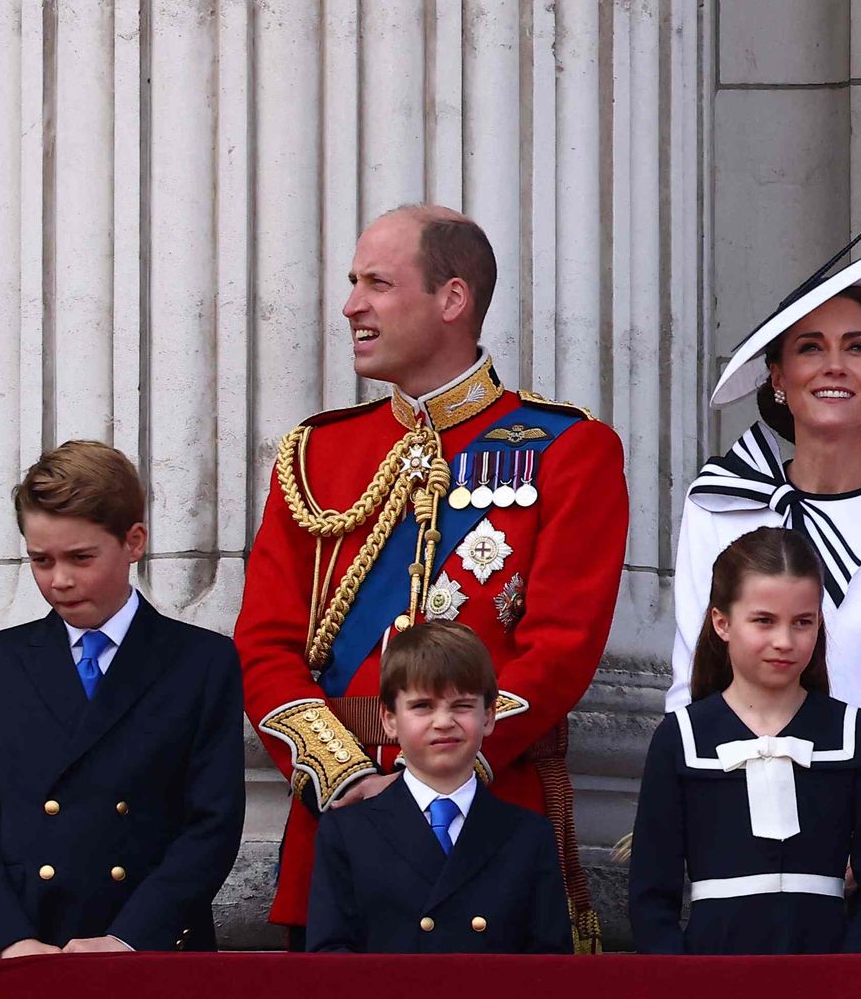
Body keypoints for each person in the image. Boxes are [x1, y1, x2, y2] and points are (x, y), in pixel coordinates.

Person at [234, 205, 627, 947]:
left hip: (490, 826)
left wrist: (443, 766)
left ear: (452, 299)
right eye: (354, 282)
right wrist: (346, 778)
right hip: (336, 827)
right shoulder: (316, 455)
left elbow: (561, 648)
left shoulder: (568, 448)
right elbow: (264, 644)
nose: (352, 304)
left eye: (377, 283)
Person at [668, 217, 861, 948]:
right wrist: (716, 827)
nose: (833, 366)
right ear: (777, 376)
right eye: (810, 347)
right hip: (745, 814)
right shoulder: (720, 504)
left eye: (857, 347)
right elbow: (689, 686)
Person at [0, 441, 250, 959]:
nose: (59, 580)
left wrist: (130, 939)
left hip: (149, 955)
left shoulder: (201, 662)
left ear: (134, 541)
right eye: (41, 560)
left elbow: (211, 824)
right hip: (25, 950)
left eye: (81, 558)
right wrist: (7, 939)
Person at [631, 528, 861, 954]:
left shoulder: (854, 733)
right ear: (722, 623)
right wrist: (681, 985)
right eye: (764, 621)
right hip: (711, 980)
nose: (785, 641)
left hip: (827, 981)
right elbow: (652, 896)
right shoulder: (682, 737)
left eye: (803, 622)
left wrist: (853, 980)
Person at [303, 621, 577, 951]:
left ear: (489, 716)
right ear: (390, 719)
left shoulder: (528, 836)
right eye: (423, 706)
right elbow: (331, 957)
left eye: (462, 706)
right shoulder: (347, 832)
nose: (444, 722)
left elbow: (549, 971)